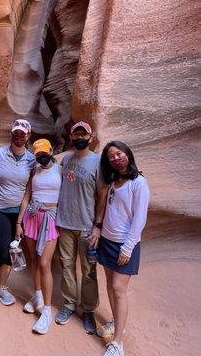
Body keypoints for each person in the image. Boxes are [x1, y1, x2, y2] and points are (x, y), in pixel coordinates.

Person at [97, 141, 150, 356]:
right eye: (111, 157)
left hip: (124, 244)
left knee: (119, 290)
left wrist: (127, 248)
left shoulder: (139, 183)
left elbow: (139, 220)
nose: (116, 158)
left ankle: (117, 342)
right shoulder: (113, 181)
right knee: (110, 286)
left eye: (119, 153)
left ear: (128, 153)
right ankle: (116, 321)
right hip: (108, 241)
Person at [55, 121, 106, 335]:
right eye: (76, 133)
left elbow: (102, 195)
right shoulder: (66, 158)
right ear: (71, 135)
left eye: (83, 134)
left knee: (88, 271)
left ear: (90, 137)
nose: (79, 137)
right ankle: (68, 305)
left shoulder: (97, 162)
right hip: (65, 223)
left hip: (87, 226)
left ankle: (88, 310)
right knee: (67, 266)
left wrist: (97, 226)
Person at [0, 119, 35, 304]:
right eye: (16, 133)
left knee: (11, 251)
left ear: (28, 136)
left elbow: (29, 191)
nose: (19, 137)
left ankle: (1, 287)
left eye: (23, 134)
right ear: (11, 134)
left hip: (19, 212)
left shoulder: (32, 160)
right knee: (3, 249)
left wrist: (20, 220)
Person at [16, 139, 62, 334]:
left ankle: (47, 311)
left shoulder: (59, 170)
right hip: (32, 217)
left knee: (44, 263)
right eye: (38, 153)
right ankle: (37, 296)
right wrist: (19, 222)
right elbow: (27, 195)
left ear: (51, 151)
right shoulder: (34, 170)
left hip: (50, 219)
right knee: (34, 259)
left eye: (44, 152)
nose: (42, 156)